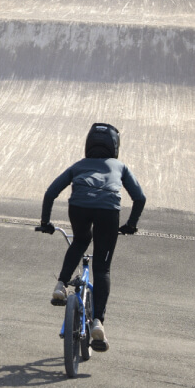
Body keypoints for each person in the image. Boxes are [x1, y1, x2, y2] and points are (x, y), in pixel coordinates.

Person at [39, 123, 146, 352]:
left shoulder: (79, 165)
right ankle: (98, 321)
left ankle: (60, 285)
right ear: (115, 147)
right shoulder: (120, 166)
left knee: (80, 240)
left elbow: (50, 192)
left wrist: (46, 223)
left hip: (79, 207)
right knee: (102, 269)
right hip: (108, 211)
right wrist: (131, 225)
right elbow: (140, 198)